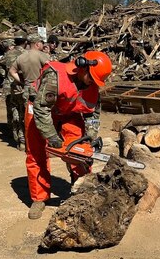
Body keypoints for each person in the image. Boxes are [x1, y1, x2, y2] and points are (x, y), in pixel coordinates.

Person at [25, 51, 112, 219]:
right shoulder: (55, 76)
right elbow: (41, 109)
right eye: (91, 78)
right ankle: (39, 198)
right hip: (40, 109)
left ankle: (82, 189)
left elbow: (93, 113)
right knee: (36, 153)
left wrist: (91, 136)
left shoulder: (92, 85)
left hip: (69, 112)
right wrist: (52, 137)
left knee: (80, 151)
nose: (92, 83)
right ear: (82, 67)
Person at [3, 32, 28, 150]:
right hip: (22, 87)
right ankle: (23, 140)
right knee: (23, 113)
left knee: (14, 111)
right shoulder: (26, 54)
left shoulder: (8, 54)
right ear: (25, 42)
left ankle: (15, 136)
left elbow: (3, 66)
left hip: (10, 86)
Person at [9, 33, 50, 104]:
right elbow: (51, 68)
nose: (43, 45)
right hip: (39, 89)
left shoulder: (21, 56)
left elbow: (12, 71)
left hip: (27, 90)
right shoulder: (42, 55)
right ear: (37, 44)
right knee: (40, 113)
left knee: (28, 112)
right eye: (42, 43)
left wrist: (23, 81)